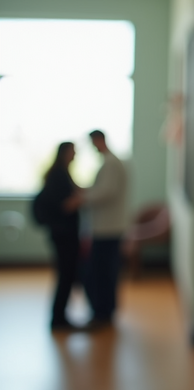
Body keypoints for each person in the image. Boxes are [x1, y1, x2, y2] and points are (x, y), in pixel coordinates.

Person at [82, 129, 129, 328]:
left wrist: (82, 198)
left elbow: (107, 192)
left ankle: (103, 313)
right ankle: (104, 311)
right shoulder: (112, 162)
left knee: (102, 272)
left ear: (100, 140)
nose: (93, 147)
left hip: (108, 228)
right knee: (105, 271)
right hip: (109, 227)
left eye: (94, 143)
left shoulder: (111, 163)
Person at [41, 142, 83, 331]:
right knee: (65, 275)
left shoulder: (62, 173)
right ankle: (58, 318)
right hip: (63, 234)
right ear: (65, 153)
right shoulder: (59, 175)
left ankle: (60, 316)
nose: (75, 154)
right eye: (73, 151)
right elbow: (64, 204)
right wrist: (83, 199)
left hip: (64, 233)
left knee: (66, 274)